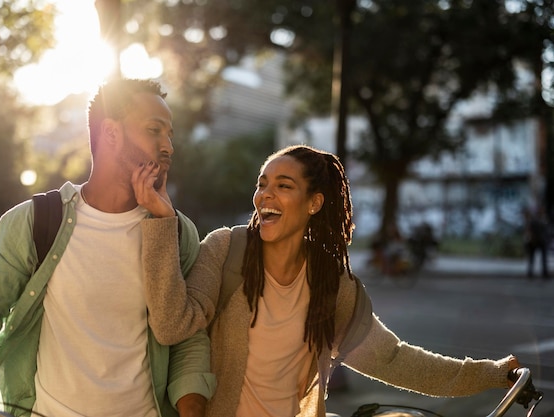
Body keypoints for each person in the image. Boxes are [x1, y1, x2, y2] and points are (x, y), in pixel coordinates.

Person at [134, 144, 520, 417]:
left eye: (283, 186)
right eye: (262, 183)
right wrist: (162, 221)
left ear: (314, 203)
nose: (264, 195)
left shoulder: (330, 283)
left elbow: (393, 359)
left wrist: (491, 373)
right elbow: (171, 325)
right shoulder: (226, 250)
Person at [0, 78, 215, 417]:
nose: (168, 146)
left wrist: (193, 406)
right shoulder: (36, 221)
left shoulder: (177, 231)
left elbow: (186, 336)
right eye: (155, 130)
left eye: (170, 134)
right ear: (110, 133)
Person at [523, 205, 550, 279]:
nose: (542, 212)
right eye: (541, 210)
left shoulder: (544, 219)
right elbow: (530, 230)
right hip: (534, 241)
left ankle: (544, 273)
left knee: (543, 259)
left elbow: (546, 231)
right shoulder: (534, 220)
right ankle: (530, 273)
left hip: (542, 241)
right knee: (532, 258)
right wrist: (531, 238)